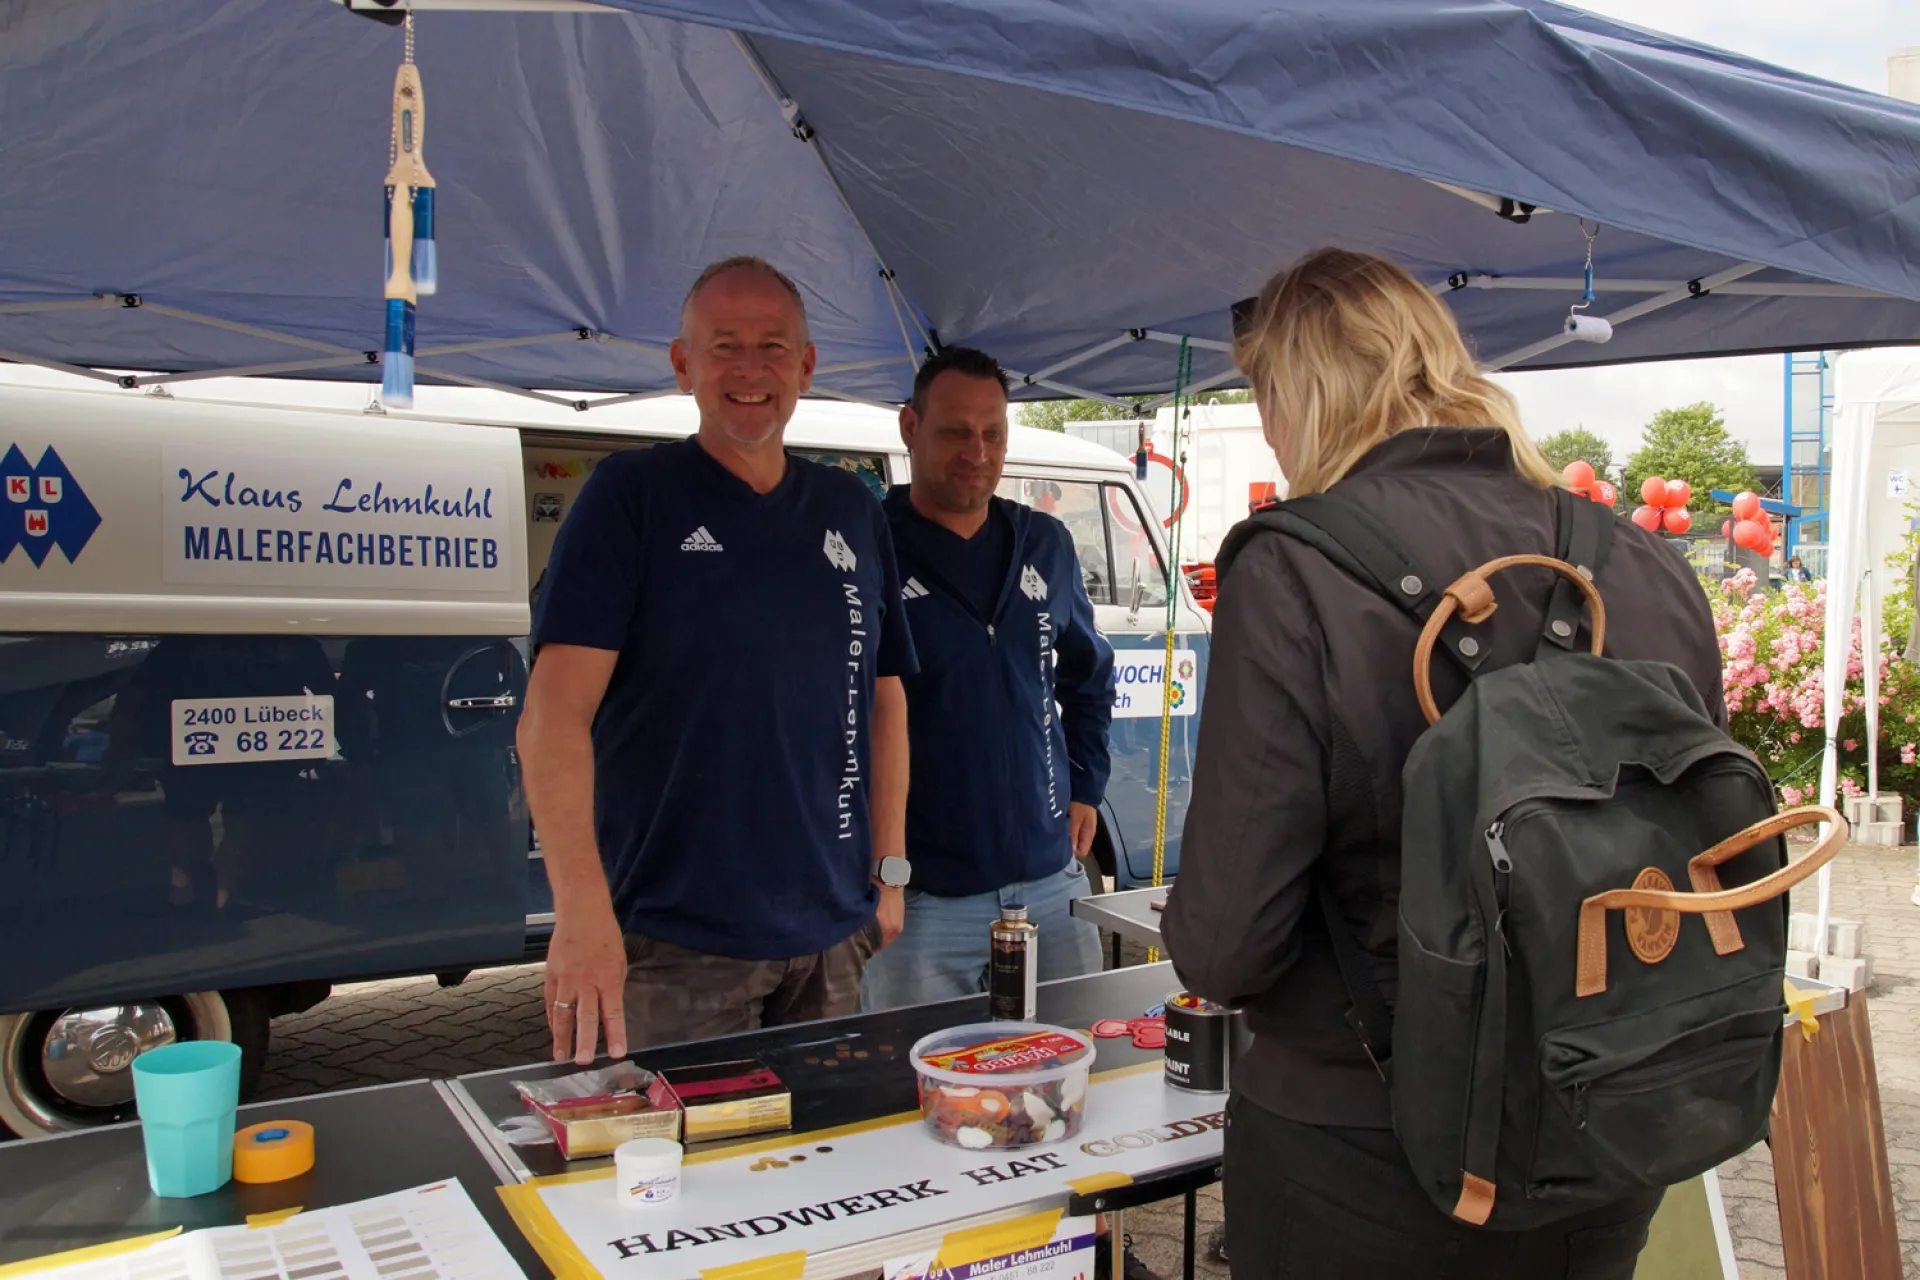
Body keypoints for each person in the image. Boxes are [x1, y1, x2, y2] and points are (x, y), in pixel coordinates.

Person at [1161, 247, 1727, 1278]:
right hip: (1611, 1117)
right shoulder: (1642, 558)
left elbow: (1225, 945)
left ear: (1303, 391)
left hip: (1366, 1149)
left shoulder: (1293, 567)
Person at [518, 255, 916, 1064]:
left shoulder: (851, 507)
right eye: (724, 345)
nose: (749, 369)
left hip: (835, 932)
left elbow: (887, 701)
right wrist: (580, 908)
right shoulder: (630, 499)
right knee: (675, 1182)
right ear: (682, 364)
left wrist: (893, 869)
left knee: (835, 1173)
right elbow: (551, 718)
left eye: (773, 347)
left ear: (806, 366)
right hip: (673, 944)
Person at [858, 347, 1115, 1012]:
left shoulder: (1045, 544)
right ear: (910, 427)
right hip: (921, 901)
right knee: (916, 1093)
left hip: (1051, 887)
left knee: (1075, 1078)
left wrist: (1086, 785)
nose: (977, 451)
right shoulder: (868, 546)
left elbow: (1089, 676)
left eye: (992, 432)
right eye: (954, 431)